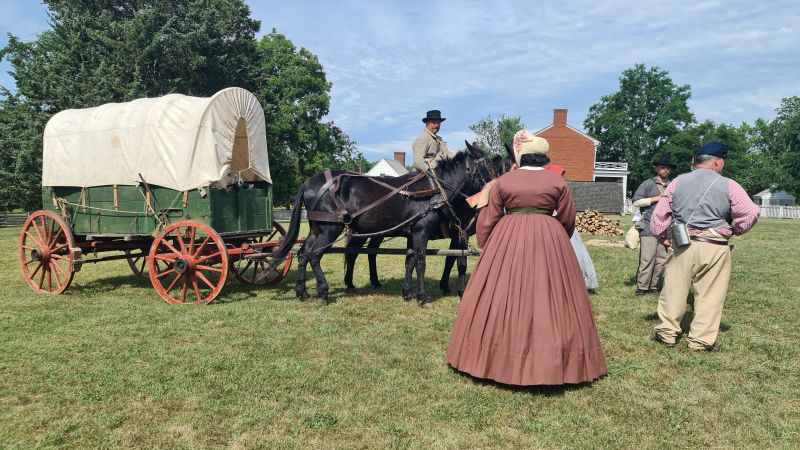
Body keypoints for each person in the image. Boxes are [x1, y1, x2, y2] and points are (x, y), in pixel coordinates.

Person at [446, 130, 607, 386]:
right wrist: (557, 240)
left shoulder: (503, 182)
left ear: (521, 159)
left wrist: (489, 248)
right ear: (543, 160)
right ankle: (557, 360)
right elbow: (567, 218)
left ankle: (493, 357)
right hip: (550, 237)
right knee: (552, 296)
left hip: (508, 237)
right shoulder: (558, 182)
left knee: (502, 295)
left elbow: (488, 218)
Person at [650, 142, 759, 351]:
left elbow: (659, 215)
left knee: (673, 289)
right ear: (718, 161)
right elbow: (750, 212)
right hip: (714, 244)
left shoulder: (676, 182)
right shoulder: (729, 185)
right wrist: (736, 230)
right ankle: (700, 341)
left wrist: (662, 236)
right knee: (711, 294)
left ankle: (666, 334)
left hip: (682, 243)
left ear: (696, 161)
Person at [544, 162, 599, 290]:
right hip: (552, 226)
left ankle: (576, 282)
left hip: (565, 226)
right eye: (559, 175)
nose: (562, 178)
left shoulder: (561, 187)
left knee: (576, 255)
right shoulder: (546, 189)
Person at [631, 154, 676, 296]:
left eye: (668, 168)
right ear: (657, 169)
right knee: (647, 258)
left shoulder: (673, 185)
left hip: (666, 228)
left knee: (661, 260)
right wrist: (657, 198)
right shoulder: (648, 184)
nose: (665, 170)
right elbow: (636, 202)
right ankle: (642, 287)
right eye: (663, 167)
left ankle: (654, 286)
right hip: (649, 225)